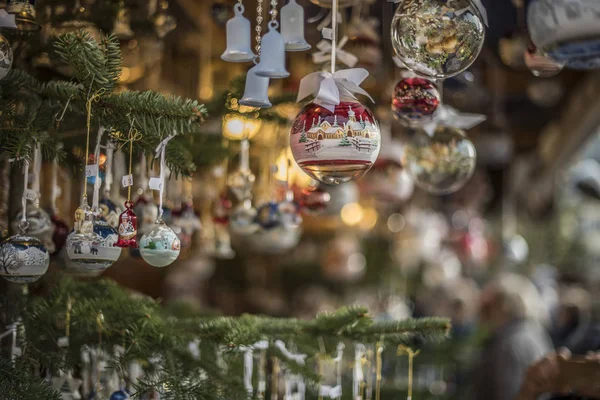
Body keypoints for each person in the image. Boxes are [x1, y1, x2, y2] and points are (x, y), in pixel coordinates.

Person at [471, 273, 553, 400]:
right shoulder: (534, 332)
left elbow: (509, 393)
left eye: (490, 306)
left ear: (504, 306)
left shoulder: (512, 343)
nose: (485, 313)